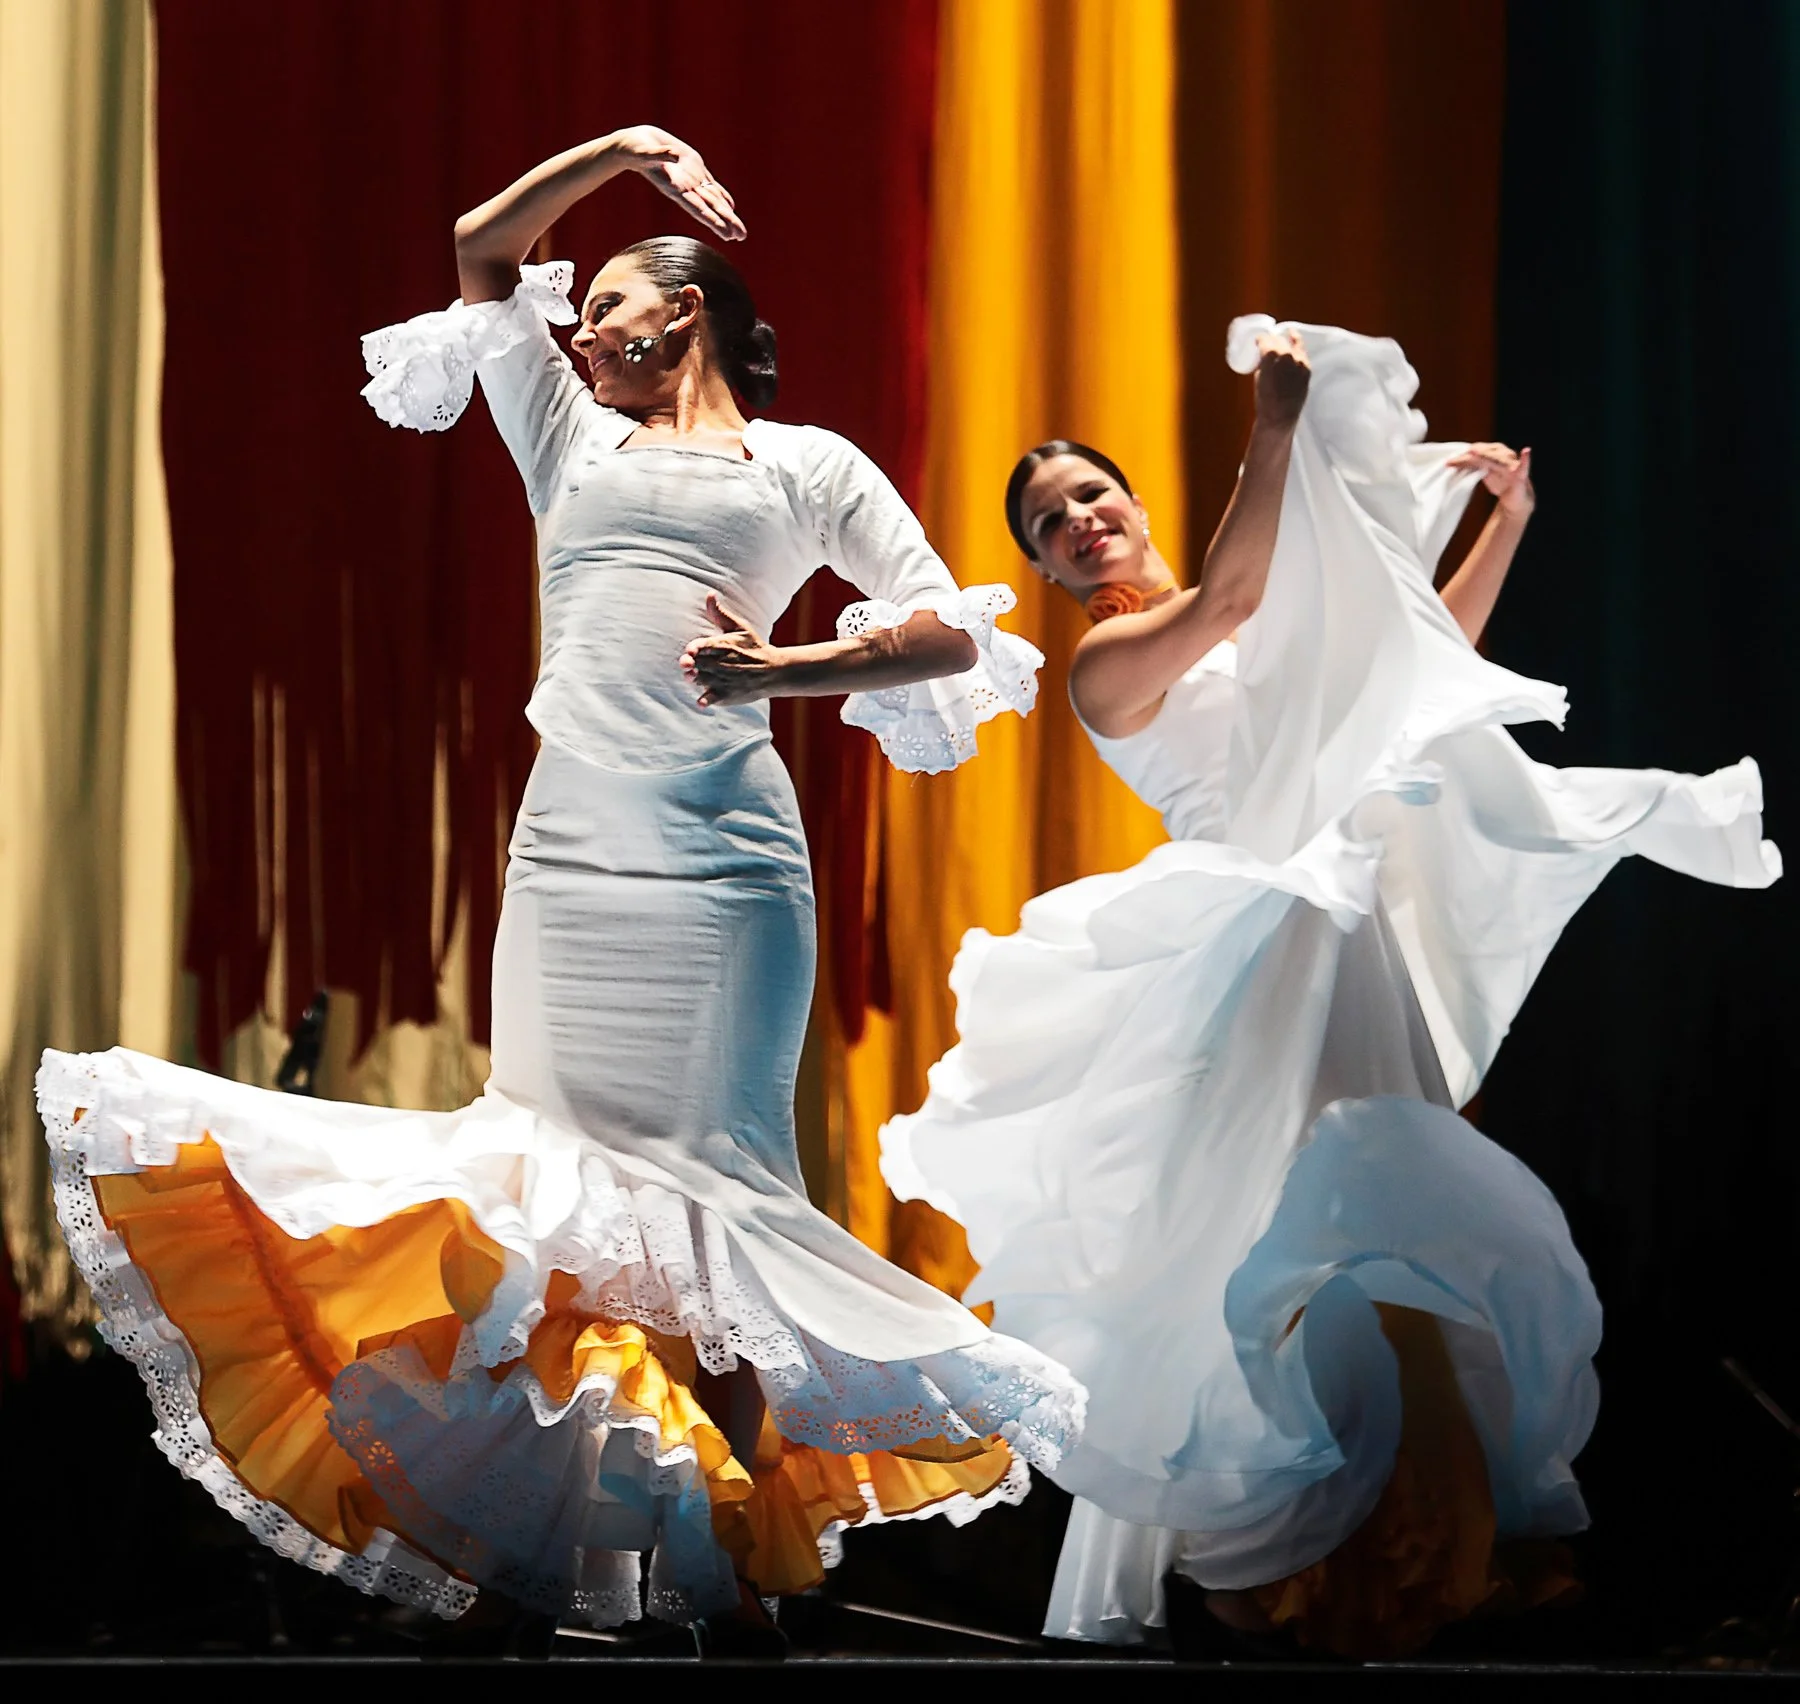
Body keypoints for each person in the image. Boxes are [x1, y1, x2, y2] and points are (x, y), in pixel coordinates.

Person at [38, 125, 1081, 1653]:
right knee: (542, 1196)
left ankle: (730, 1555)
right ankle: (546, 1562)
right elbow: (480, 251)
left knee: (715, 1197)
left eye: (605, 304)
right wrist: (631, 152)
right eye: (575, 310)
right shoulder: (569, 438)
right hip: (573, 862)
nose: (576, 326)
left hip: (724, 871)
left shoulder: (807, 467)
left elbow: (944, 635)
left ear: (688, 315)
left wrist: (780, 667)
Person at [879, 317, 1781, 1658]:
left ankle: (1420, 1550)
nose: (1076, 520)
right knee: (1286, 1232)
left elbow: (1420, 667)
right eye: (1048, 521)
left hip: (1336, 921)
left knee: (1390, 1219)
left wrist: (1507, 523)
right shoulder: (1108, 665)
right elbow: (1233, 601)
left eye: (1089, 493)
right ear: (1047, 570)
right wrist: (1278, 427)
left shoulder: (1238, 609)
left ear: (1129, 501)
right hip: (1256, 937)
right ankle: (1323, 1565)